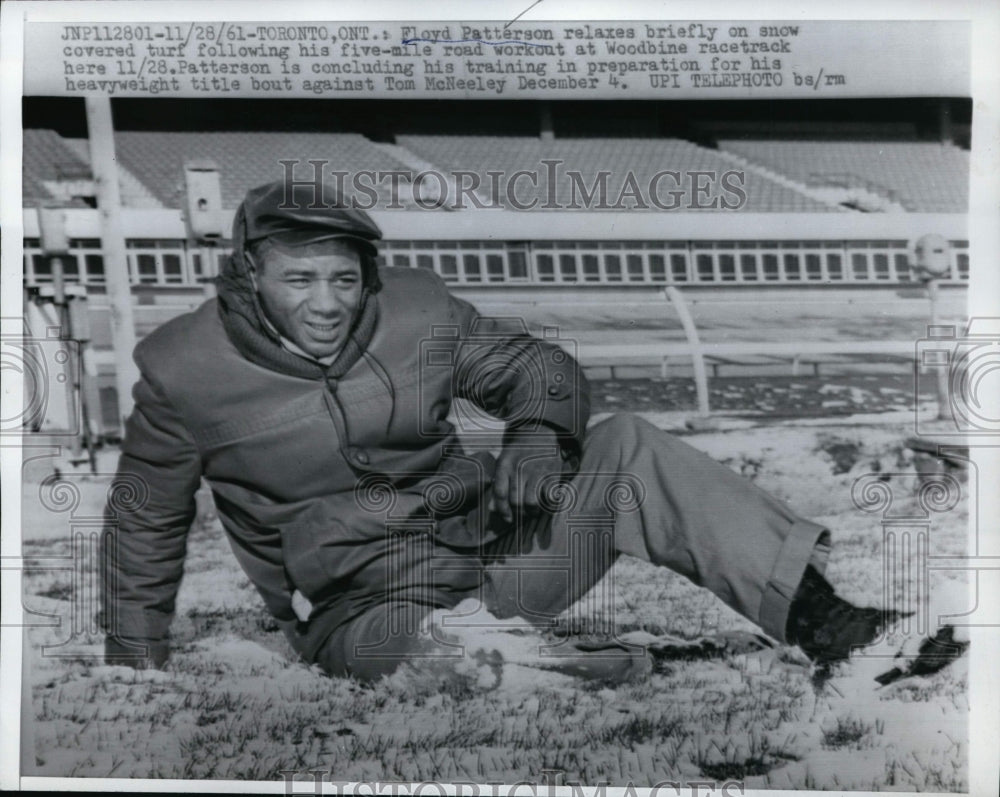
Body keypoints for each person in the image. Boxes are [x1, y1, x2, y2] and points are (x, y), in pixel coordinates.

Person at [100, 179, 902, 682]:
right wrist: (136, 660)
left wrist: (538, 434)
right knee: (449, 660)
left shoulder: (417, 308)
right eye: (299, 278)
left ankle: (832, 627)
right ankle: (535, 664)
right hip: (359, 609)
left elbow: (539, 368)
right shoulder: (182, 368)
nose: (328, 301)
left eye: (344, 277)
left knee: (625, 443)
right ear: (248, 277)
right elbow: (144, 520)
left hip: (490, 555)